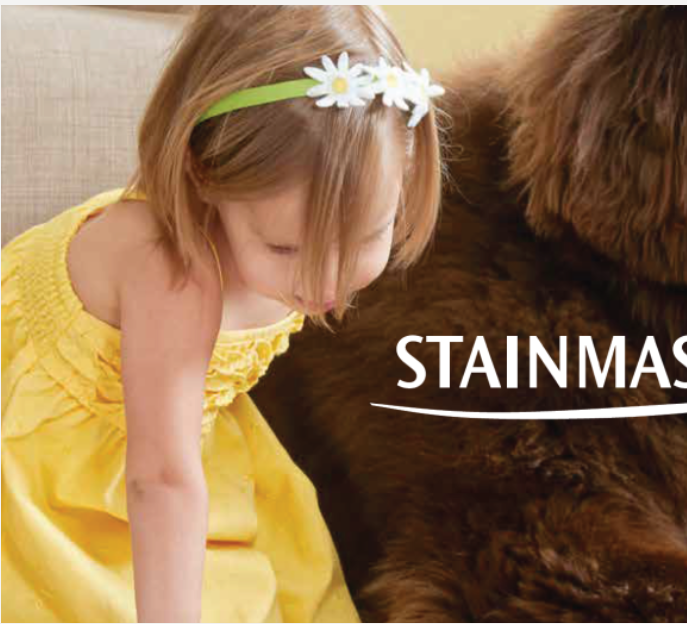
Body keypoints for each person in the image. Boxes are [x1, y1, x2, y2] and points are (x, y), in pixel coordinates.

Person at [1, 6, 443, 621]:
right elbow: (160, 482)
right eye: (285, 249)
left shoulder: (304, 226)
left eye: (367, 236)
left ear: (408, 171)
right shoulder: (174, 275)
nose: (326, 281)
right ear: (203, 173)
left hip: (173, 443)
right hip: (52, 467)